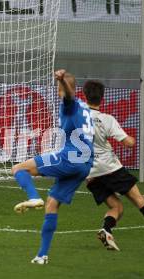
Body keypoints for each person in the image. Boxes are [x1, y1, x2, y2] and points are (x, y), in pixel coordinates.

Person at [11, 69, 94, 264]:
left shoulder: (70, 104)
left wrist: (62, 81)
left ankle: (33, 197)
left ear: (62, 89)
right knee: (52, 204)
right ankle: (42, 256)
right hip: (85, 164)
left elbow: (69, 98)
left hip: (71, 158)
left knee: (19, 169)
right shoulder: (85, 108)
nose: (58, 91)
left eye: (59, 88)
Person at [83, 80, 144, 251]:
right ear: (102, 98)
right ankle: (106, 229)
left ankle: (106, 229)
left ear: (84, 95)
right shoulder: (106, 119)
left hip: (89, 173)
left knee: (116, 207)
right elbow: (128, 143)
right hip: (110, 168)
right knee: (139, 200)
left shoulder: (77, 118)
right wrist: (132, 139)